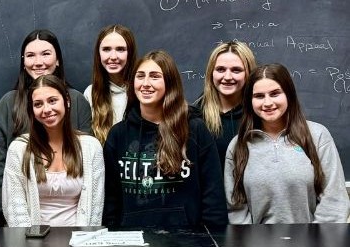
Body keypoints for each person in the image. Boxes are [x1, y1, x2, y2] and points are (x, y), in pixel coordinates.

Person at [102, 50, 227, 227]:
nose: (145, 83)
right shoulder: (118, 135)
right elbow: (111, 202)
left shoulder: (195, 129)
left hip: (187, 242)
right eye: (140, 76)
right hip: (133, 240)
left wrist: (213, 238)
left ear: (169, 82)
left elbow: (213, 199)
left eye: (154, 77)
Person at [0, 29, 92, 227]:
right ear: (23, 61)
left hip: (75, 221)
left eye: (46, 53)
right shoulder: (8, 103)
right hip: (19, 218)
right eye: (30, 55)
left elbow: (87, 164)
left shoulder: (78, 101)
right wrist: (5, 213)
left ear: (58, 60)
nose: (38, 62)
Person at [225, 63, 350, 224]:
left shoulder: (317, 136)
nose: (267, 102)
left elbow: (334, 201)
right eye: (259, 96)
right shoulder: (238, 147)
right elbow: (236, 209)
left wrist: (317, 240)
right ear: (250, 101)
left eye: (275, 93)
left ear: (288, 94)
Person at [2, 74, 104, 227]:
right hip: (32, 242)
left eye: (52, 101)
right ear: (31, 109)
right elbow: (15, 210)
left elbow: (95, 208)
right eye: (38, 104)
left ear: (67, 101)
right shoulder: (19, 149)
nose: (46, 109)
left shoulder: (90, 147)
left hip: (78, 240)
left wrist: (82, 240)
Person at [193, 41, 257, 160]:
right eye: (220, 69)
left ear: (249, 73)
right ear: (211, 73)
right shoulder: (195, 117)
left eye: (236, 70)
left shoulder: (259, 115)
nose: (227, 77)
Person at [85, 24, 137, 144]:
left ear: (130, 53)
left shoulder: (141, 90)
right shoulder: (91, 93)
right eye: (106, 49)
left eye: (120, 49)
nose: (113, 57)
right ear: (99, 53)